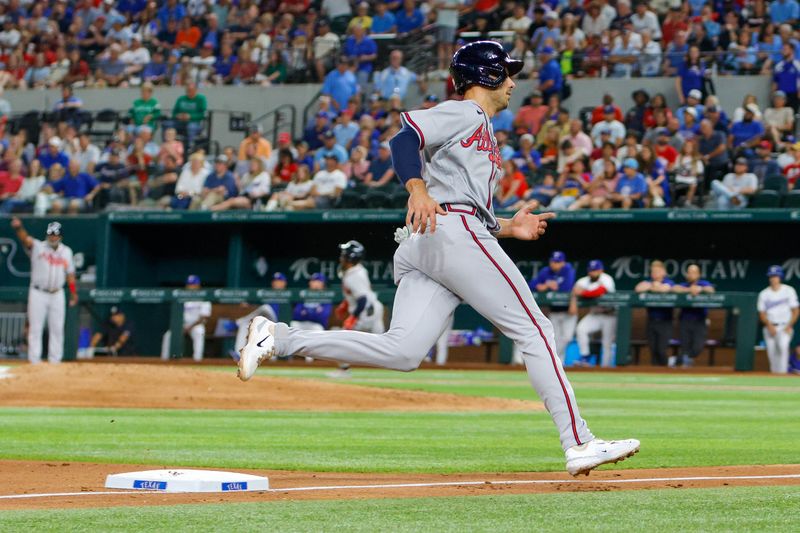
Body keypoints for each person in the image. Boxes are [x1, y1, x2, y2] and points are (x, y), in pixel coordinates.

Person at [236, 41, 639, 476]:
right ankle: (578, 442)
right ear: (485, 76)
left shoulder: (479, 127)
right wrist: (417, 189)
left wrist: (506, 227)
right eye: (506, 72)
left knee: (403, 350)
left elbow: (459, 199)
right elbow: (403, 139)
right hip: (447, 231)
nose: (513, 82)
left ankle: (278, 337)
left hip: (432, 238)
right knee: (536, 329)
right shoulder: (467, 112)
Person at [9, 219, 77, 364]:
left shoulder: (67, 252)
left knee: (57, 328)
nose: (52, 237)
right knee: (35, 327)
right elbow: (25, 239)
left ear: (60, 236)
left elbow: (70, 275)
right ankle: (34, 360)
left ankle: (55, 360)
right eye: (50, 234)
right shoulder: (39, 247)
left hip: (57, 293)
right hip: (38, 292)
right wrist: (19, 227)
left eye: (55, 234)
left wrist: (73, 292)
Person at [328, 240, 385, 378]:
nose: (341, 257)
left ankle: (344, 370)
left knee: (341, 340)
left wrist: (352, 318)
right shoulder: (357, 270)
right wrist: (345, 304)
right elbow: (358, 294)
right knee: (382, 345)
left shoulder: (354, 276)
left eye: (344, 255)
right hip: (373, 309)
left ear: (351, 258)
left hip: (365, 313)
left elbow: (362, 300)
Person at [530, 251, 577, 362]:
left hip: (567, 311)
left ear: (563, 263)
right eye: (553, 261)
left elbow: (566, 288)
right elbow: (531, 285)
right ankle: (558, 363)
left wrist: (550, 286)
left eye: (557, 262)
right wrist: (545, 285)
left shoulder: (568, 270)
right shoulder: (546, 271)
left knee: (567, 338)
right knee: (554, 338)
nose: (554, 264)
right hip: (554, 311)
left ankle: (550, 358)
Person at [572, 260, 617, 368]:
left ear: (601, 270)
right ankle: (585, 356)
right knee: (581, 329)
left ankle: (606, 368)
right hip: (595, 314)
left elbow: (600, 291)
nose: (593, 273)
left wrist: (583, 292)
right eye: (591, 270)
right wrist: (578, 294)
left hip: (609, 314)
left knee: (607, 343)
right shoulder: (583, 281)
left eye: (596, 270)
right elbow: (574, 291)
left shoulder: (607, 278)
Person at [758, 265, 799, 374]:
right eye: (771, 276)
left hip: (785, 326)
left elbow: (796, 311)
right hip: (769, 327)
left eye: (775, 276)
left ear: (780, 277)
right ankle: (774, 376)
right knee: (772, 353)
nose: (773, 278)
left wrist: (789, 326)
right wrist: (769, 325)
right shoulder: (764, 293)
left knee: (783, 349)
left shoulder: (789, 290)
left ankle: (782, 375)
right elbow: (762, 313)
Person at [233, 273, 287, 356]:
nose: (276, 283)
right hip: (265, 323)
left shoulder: (288, 293)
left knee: (266, 307)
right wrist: (247, 304)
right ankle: (238, 354)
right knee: (245, 324)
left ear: (284, 283)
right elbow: (256, 304)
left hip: (279, 322)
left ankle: (236, 323)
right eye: (275, 280)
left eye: (279, 281)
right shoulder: (268, 294)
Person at [672, 264, 715, 368]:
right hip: (685, 321)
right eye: (690, 272)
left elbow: (711, 290)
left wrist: (700, 289)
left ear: (699, 274)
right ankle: (683, 363)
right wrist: (689, 290)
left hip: (700, 321)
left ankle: (678, 359)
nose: (692, 274)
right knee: (685, 346)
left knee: (697, 347)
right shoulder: (684, 285)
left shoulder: (704, 283)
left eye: (694, 272)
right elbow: (674, 288)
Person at [161, 274, 211, 361]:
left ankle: (197, 360)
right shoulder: (182, 296)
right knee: (168, 335)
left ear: (198, 285)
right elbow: (176, 315)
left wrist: (190, 327)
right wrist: (181, 326)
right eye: (189, 284)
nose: (190, 286)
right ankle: (164, 360)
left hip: (196, 325)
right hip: (182, 325)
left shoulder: (204, 297)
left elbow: (204, 317)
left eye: (193, 284)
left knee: (200, 332)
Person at [634, 261, 675, 366]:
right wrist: (652, 285)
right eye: (653, 271)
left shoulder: (669, 282)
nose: (655, 273)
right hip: (651, 321)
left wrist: (655, 287)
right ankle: (655, 372)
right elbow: (638, 288)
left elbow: (665, 288)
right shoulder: (649, 282)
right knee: (653, 349)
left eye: (658, 271)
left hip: (665, 321)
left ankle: (665, 370)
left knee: (661, 349)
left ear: (664, 272)